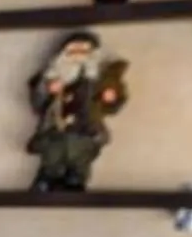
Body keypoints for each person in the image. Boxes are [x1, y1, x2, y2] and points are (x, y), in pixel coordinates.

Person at [28, 32, 129, 192]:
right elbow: (38, 101)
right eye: (73, 50)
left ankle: (76, 179)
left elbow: (114, 105)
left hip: (86, 125)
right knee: (53, 153)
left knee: (81, 155)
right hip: (57, 125)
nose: (78, 54)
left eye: (84, 51)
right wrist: (47, 89)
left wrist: (111, 97)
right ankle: (47, 177)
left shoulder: (99, 78)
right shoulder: (54, 74)